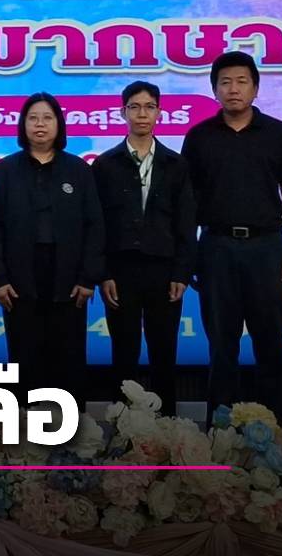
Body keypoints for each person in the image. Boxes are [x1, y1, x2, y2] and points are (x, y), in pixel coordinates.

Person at [182, 51, 282, 424]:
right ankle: (221, 432)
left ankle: (276, 429)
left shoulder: (276, 133)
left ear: (255, 88)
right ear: (215, 90)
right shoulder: (199, 136)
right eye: (225, 82)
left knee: (271, 343)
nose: (233, 89)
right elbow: (187, 203)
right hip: (216, 247)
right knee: (222, 345)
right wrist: (189, 254)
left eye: (241, 81)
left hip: (267, 248)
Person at [0, 92, 102, 398]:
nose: (40, 124)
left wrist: (88, 278)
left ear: (58, 124)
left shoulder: (78, 169)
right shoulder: (5, 170)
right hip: (19, 280)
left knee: (69, 359)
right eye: (33, 118)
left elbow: (94, 227)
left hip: (69, 279)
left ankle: (71, 425)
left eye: (47, 118)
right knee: (24, 357)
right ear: (23, 125)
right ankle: (26, 426)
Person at [91, 82, 196, 416]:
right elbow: (96, 225)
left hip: (164, 270)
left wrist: (182, 272)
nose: (142, 114)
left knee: (164, 352)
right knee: (124, 353)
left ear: (159, 113)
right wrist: (103, 273)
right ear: (122, 113)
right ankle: (123, 428)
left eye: (149, 107)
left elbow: (186, 223)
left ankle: (168, 427)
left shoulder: (176, 164)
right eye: (134, 107)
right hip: (120, 271)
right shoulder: (105, 165)